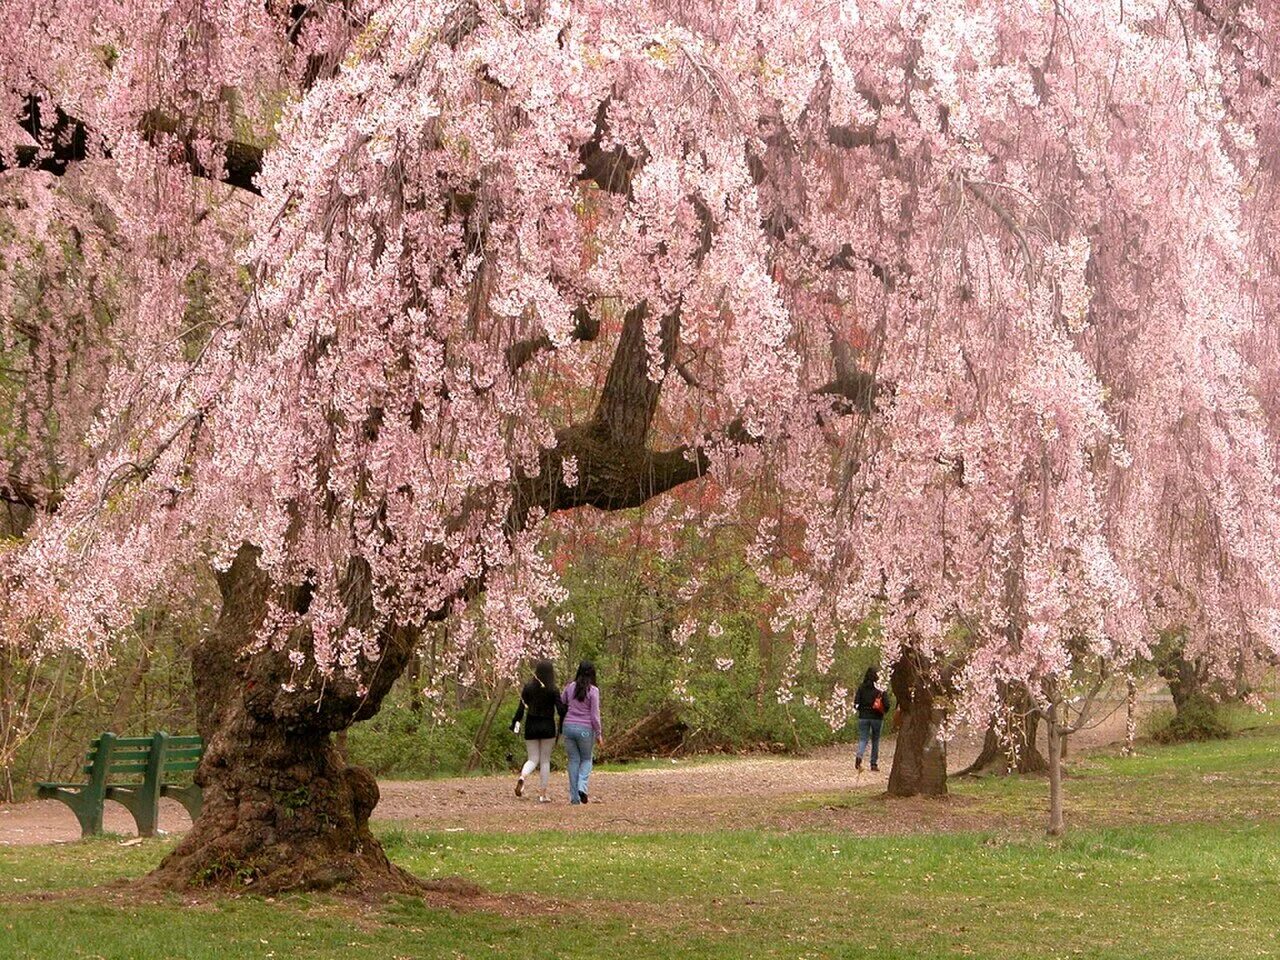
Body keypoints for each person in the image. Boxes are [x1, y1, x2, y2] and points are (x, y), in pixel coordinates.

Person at [511, 659, 566, 803]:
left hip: (531, 725)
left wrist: (515, 723)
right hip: (547, 726)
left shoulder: (528, 687)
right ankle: (543, 794)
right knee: (545, 761)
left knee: (532, 758)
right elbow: (560, 710)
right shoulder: (553, 689)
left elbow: (521, 708)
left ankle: (523, 776)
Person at [560, 660, 603, 804]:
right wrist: (598, 733)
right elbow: (594, 715)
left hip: (568, 727)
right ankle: (582, 787)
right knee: (586, 759)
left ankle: (574, 798)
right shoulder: (593, 691)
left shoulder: (570, 687)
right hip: (585, 729)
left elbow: (562, 701)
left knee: (573, 760)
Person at [853, 666, 890, 772]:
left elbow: (856, 703)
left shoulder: (861, 687)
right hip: (877, 717)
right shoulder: (881, 688)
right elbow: (887, 704)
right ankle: (873, 764)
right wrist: (884, 711)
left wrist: (861, 710)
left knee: (863, 739)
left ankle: (859, 756)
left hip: (863, 716)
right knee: (875, 740)